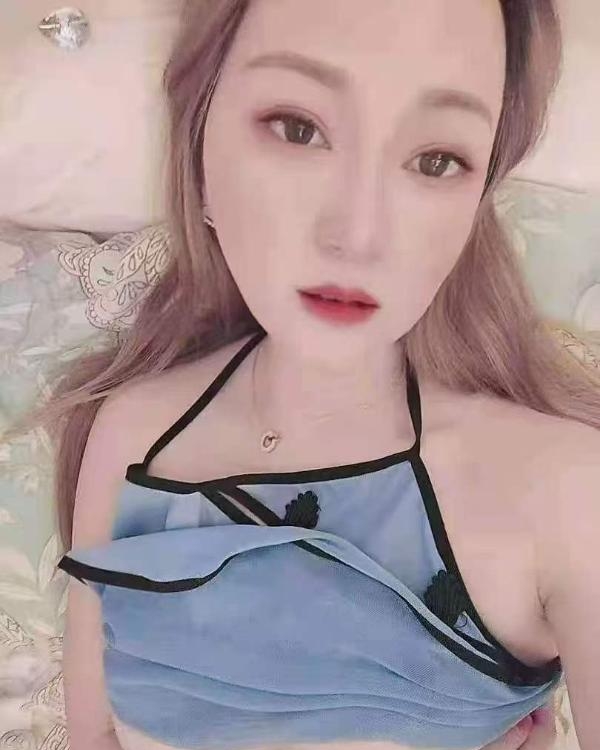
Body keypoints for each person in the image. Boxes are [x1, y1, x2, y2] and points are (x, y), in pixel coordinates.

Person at [5, 0, 600, 749]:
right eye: (297, 127)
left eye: (436, 160)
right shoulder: (131, 432)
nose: (358, 234)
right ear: (199, 146)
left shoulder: (567, 491)